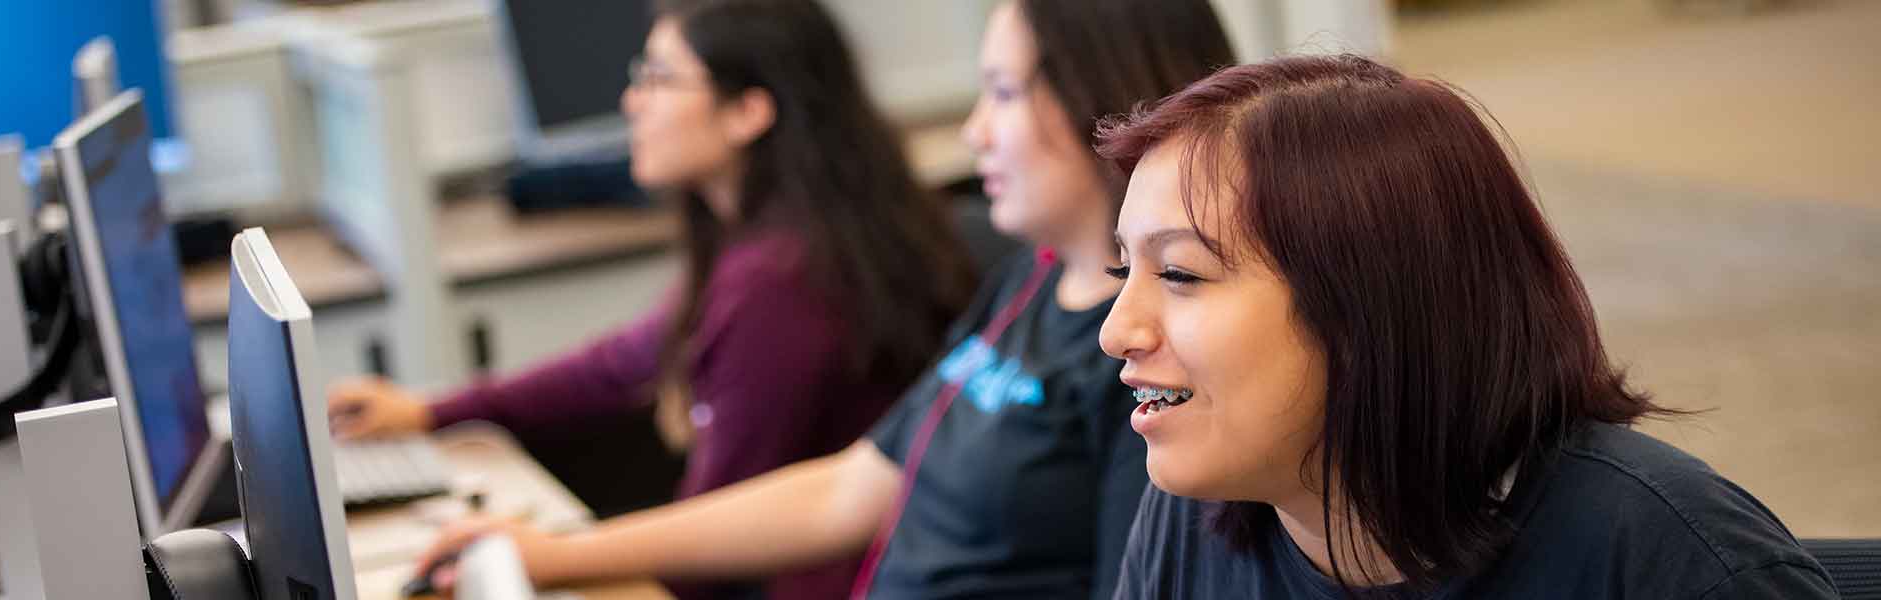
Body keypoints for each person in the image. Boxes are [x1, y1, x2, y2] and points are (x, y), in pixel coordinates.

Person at [413, 1, 1234, 599]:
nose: (973, 131)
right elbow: (852, 486)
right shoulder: (1028, 282)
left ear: (1112, 99)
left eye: (1005, 94)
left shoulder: (1149, 358)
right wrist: (552, 554)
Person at [1096, 54, 1839, 599]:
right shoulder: (1191, 522)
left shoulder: (1666, 560)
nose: (1116, 330)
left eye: (1182, 275)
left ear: (1373, 306)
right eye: (1122, 270)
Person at [326, 0, 978, 597]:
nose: (632, 102)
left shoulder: (782, 285)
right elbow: (617, 364)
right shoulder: (787, 238)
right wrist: (430, 411)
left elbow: (711, 543)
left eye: (659, 79)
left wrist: (546, 554)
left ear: (748, 112)